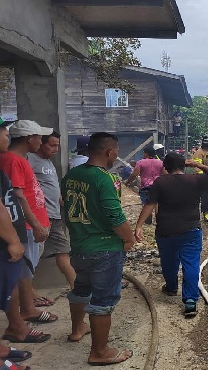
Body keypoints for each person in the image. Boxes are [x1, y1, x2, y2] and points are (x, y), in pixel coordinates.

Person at [61, 132, 135, 365]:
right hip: (104, 248)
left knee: (81, 289)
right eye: (116, 152)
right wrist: (129, 238)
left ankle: (77, 329)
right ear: (109, 151)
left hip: (79, 246)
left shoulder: (71, 175)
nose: (116, 156)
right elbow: (114, 215)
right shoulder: (105, 179)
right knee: (104, 299)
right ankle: (99, 352)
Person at [134, 153, 208, 317]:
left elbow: (150, 204)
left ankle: (171, 287)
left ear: (165, 166)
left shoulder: (160, 182)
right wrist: (197, 165)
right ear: (184, 166)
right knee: (191, 264)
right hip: (191, 230)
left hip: (166, 231)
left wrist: (138, 226)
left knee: (169, 261)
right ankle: (190, 301)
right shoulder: (195, 179)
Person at [0, 120, 58, 334]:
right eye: (39, 137)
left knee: (26, 268)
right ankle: (27, 310)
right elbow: (17, 196)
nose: (41, 141)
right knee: (23, 269)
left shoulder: (18, 159)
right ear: (29, 138)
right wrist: (36, 224)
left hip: (30, 223)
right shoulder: (14, 160)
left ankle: (28, 306)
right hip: (25, 225)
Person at [0, 117, 35, 369]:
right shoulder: (11, 161)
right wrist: (13, 239)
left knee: (8, 287)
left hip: (7, 235)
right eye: (3, 131)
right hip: (4, 238)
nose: (6, 135)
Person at [27, 131, 75, 291]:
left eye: (57, 146)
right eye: (52, 145)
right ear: (41, 143)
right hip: (39, 216)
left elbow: (52, 187)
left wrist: (61, 201)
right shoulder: (29, 159)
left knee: (63, 251)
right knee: (32, 255)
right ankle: (29, 296)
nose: (55, 149)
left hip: (54, 216)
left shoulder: (49, 162)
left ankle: (78, 287)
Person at [124, 146, 164, 225]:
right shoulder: (160, 162)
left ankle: (148, 221)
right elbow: (165, 174)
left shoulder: (141, 162)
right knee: (157, 203)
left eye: (143, 153)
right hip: (158, 186)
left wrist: (127, 182)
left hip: (146, 187)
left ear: (146, 153)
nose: (143, 154)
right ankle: (159, 221)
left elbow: (134, 174)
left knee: (146, 204)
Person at [191, 136, 208, 222]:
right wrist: (204, 177)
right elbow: (197, 167)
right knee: (205, 197)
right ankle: (206, 212)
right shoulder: (199, 153)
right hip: (203, 178)